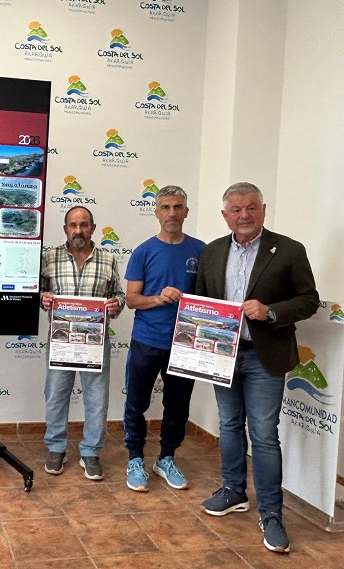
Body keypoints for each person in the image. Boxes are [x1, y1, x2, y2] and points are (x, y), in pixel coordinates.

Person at [196, 182, 318, 554]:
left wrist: (271, 312)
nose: (244, 215)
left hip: (265, 356)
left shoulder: (289, 250)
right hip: (222, 354)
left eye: (251, 207)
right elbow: (201, 301)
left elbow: (308, 299)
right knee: (229, 425)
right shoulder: (212, 251)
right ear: (225, 215)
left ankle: (271, 514)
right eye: (236, 209)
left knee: (264, 435)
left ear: (263, 210)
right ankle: (234, 490)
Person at [123, 186, 205, 492]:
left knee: (178, 407)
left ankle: (166, 458)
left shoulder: (201, 250)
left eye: (177, 207)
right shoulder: (143, 251)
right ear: (156, 212)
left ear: (186, 211)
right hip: (147, 340)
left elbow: (210, 298)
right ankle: (135, 459)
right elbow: (131, 299)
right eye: (166, 207)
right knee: (136, 404)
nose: (172, 213)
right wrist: (159, 298)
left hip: (185, 344)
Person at [40, 206, 125, 480]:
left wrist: (116, 304)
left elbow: (119, 294)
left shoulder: (108, 259)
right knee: (55, 395)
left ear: (93, 228)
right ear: (65, 228)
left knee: (96, 398)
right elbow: (38, 291)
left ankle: (90, 451)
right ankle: (56, 447)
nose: (79, 230)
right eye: (73, 225)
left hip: (95, 342)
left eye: (84, 225)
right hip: (61, 339)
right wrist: (43, 298)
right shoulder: (49, 257)